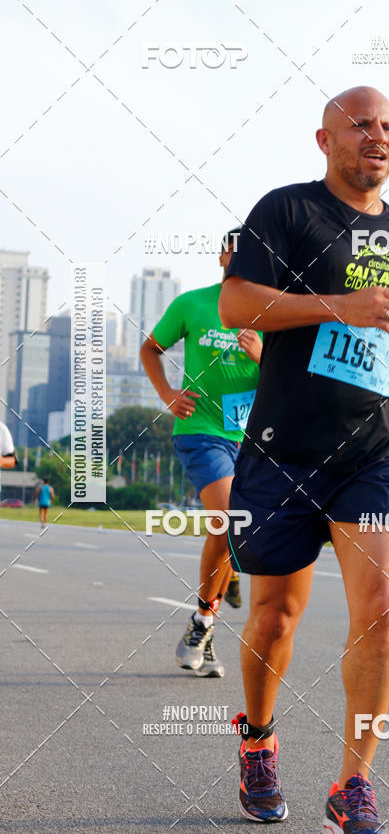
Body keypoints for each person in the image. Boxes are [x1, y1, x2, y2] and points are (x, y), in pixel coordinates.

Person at [220, 86, 389, 832]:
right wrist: (333, 305)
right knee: (277, 615)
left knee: (380, 608)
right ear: (325, 140)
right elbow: (237, 305)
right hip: (284, 450)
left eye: (387, 125)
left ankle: (353, 787)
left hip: (378, 450)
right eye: (360, 125)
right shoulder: (285, 210)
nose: (377, 135)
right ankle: (257, 738)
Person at [140, 230, 262, 678]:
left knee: (235, 532)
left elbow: (291, 382)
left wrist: (265, 355)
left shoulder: (273, 312)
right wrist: (168, 393)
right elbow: (150, 349)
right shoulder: (192, 304)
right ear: (222, 256)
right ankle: (205, 622)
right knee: (230, 520)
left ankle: (203, 625)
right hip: (201, 431)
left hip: (252, 440)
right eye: (237, 250)